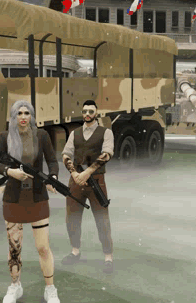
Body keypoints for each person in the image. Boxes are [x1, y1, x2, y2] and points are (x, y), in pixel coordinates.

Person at [0, 100, 61, 303]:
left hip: (37, 197)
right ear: (13, 116)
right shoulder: (4, 137)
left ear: (32, 116)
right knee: (14, 247)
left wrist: (52, 177)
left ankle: (50, 289)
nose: (22, 117)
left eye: (26, 113)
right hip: (13, 198)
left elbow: (52, 161)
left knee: (43, 247)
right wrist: (9, 171)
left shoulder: (42, 135)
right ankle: (15, 286)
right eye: (18, 113)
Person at [60, 100, 115, 274]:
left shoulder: (106, 132)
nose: (87, 114)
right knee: (72, 218)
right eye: (84, 111)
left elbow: (107, 154)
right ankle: (75, 251)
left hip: (96, 180)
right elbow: (66, 154)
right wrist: (75, 174)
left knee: (102, 219)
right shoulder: (75, 133)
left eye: (91, 111)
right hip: (76, 181)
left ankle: (108, 257)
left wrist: (87, 173)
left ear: (96, 112)